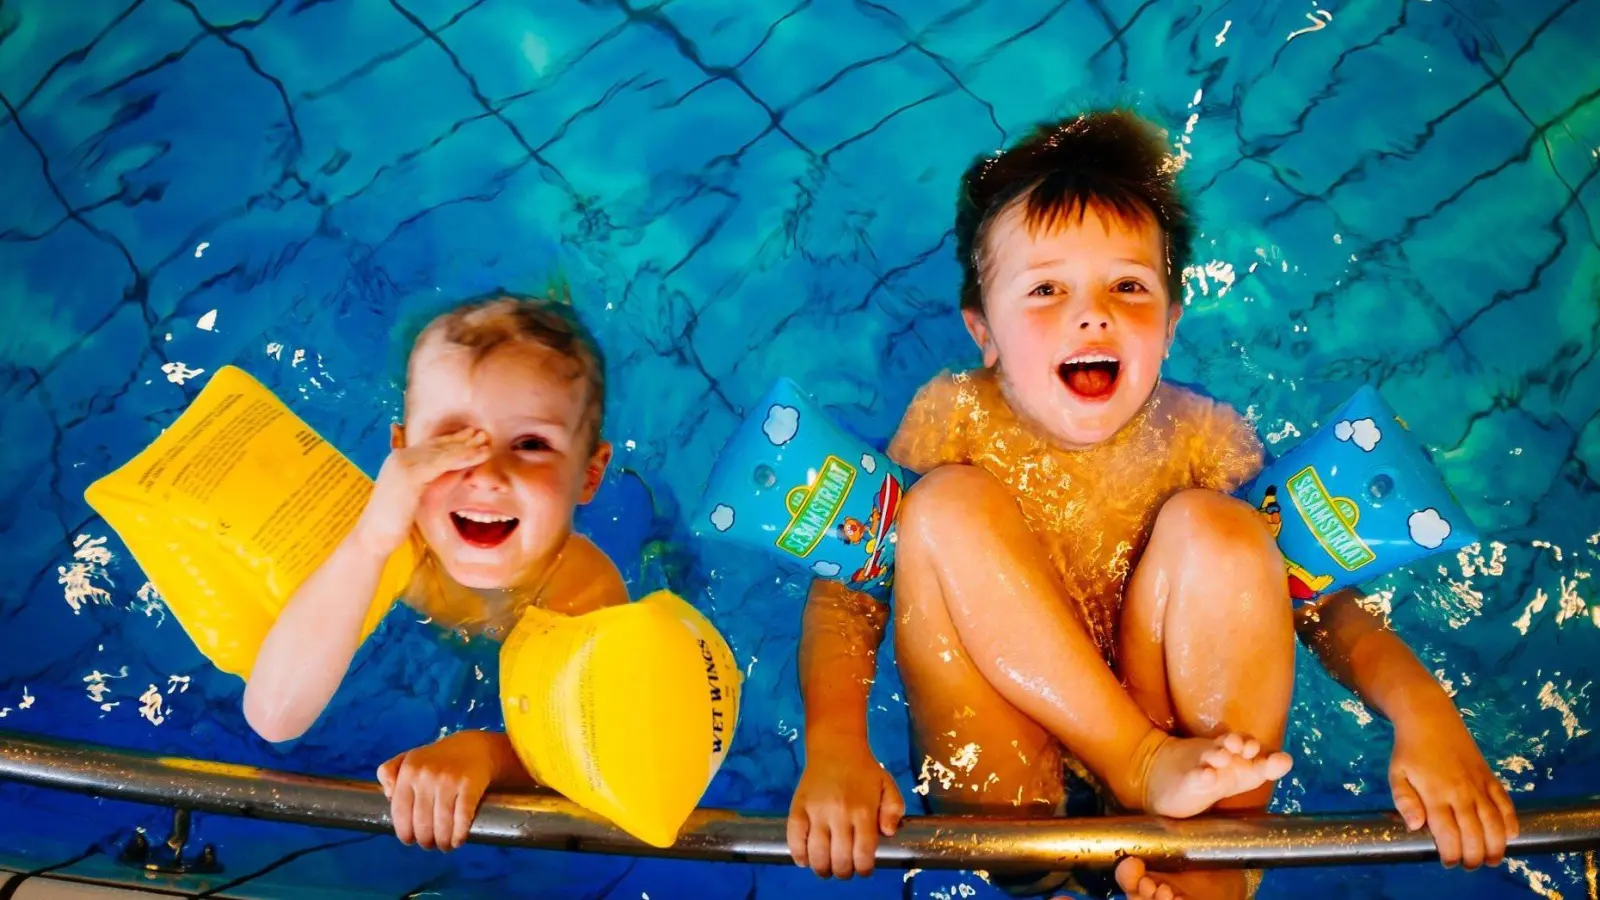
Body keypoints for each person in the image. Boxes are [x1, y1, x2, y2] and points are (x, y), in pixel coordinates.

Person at [786, 111, 1517, 899]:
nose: (1091, 313)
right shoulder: (952, 416)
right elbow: (849, 587)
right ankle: (1067, 864)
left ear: (1169, 324)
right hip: (1011, 787)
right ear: (982, 330)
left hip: (1187, 774)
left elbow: (1319, 602)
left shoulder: (1204, 435)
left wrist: (1424, 714)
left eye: (1128, 286)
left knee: (1230, 531)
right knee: (942, 509)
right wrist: (835, 745)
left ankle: (1203, 878)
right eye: (1045, 289)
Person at [244, 290, 628, 851]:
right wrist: (372, 541)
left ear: (590, 475)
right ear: (401, 452)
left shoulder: (585, 593)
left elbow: (597, 751)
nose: (488, 474)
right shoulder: (394, 541)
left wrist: (489, 755)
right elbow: (274, 717)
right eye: (451, 440)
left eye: (530, 444)